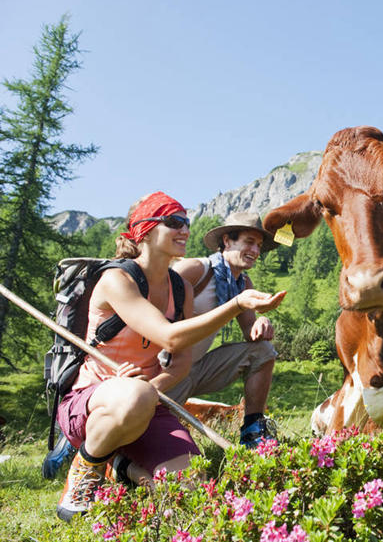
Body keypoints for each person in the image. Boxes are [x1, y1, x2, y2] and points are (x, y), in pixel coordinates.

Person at [55, 192, 284, 522]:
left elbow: (179, 360)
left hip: (148, 398)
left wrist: (150, 392)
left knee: (195, 488)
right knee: (135, 395)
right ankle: (86, 468)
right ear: (145, 231)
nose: (185, 230)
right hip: (92, 400)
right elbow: (169, 337)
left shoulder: (181, 288)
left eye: (187, 223)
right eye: (174, 222)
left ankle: (121, 465)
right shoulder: (117, 279)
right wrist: (236, 305)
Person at [169, 212, 281, 449]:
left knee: (263, 350)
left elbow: (250, 330)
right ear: (227, 241)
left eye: (259, 245)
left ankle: (253, 432)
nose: (256, 251)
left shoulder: (242, 284)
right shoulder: (196, 270)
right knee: (148, 436)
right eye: (249, 242)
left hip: (198, 368)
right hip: (166, 369)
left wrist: (260, 324)